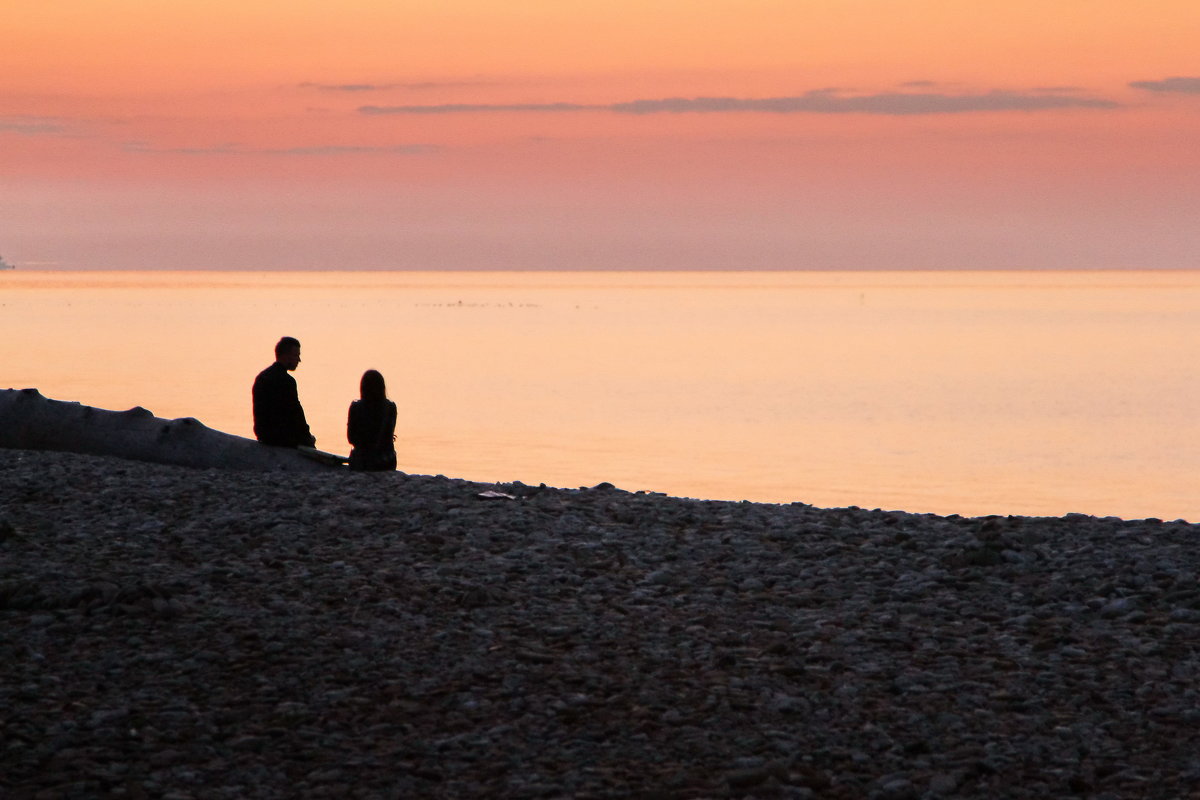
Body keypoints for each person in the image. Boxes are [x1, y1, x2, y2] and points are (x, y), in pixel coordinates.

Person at [252, 336, 316, 448]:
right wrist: (308, 438)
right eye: (296, 355)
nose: (299, 360)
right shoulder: (287, 381)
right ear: (286, 356)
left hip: (264, 435)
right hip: (282, 438)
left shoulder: (262, 377)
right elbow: (296, 414)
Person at [347, 369, 397, 471]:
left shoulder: (355, 408)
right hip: (386, 462)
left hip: (362, 462)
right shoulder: (390, 408)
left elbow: (351, 438)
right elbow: (388, 436)